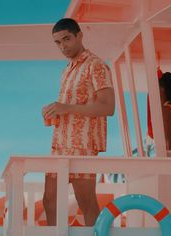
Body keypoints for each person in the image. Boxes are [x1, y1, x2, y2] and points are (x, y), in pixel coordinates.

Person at [42, 18, 115, 226]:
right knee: (49, 201)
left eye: (67, 39)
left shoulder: (97, 65)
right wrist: (53, 111)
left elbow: (108, 107)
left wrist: (68, 108)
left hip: (82, 144)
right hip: (60, 143)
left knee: (87, 203)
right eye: (58, 42)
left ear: (79, 36)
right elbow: (70, 107)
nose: (63, 46)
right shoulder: (67, 70)